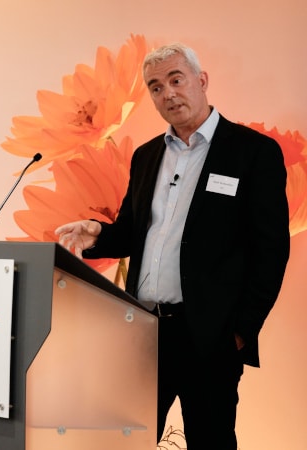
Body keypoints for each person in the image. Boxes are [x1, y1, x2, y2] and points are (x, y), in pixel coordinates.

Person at [55, 43, 290, 449]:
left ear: (202, 80)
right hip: (145, 330)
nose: (168, 93)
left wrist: (239, 331)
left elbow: (271, 250)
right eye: (156, 87)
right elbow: (132, 231)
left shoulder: (252, 152)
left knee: (211, 441)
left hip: (210, 336)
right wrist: (99, 234)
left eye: (176, 80)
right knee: (127, 442)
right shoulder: (146, 156)